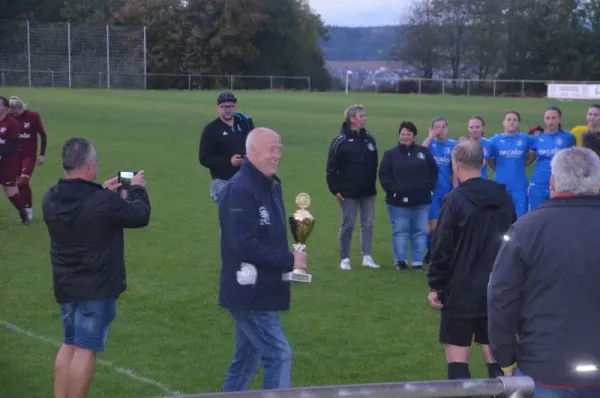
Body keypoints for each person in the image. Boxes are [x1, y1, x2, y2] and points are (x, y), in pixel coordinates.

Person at [42, 138, 151, 398]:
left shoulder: (51, 197)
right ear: (89, 165)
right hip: (96, 287)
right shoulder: (101, 201)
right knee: (85, 350)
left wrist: (101, 190)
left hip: (66, 284)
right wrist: (136, 189)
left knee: (68, 344)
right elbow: (140, 215)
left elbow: (83, 209)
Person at [489, 147, 600, 397]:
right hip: (547, 369)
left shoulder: (526, 229)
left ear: (552, 182)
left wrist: (505, 358)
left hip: (545, 369)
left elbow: (500, 297)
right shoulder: (526, 229)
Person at [218, 127, 307, 391]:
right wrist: (289, 259)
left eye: (279, 149)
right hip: (249, 290)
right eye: (272, 149)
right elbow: (243, 246)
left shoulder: (269, 186)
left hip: (263, 287)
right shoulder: (239, 190)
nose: (277, 155)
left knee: (247, 359)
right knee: (278, 355)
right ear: (252, 151)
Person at [427, 139, 516, 381]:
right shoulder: (503, 196)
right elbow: (514, 239)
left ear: (455, 164)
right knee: (496, 354)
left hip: (460, 290)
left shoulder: (454, 200)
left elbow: (441, 247)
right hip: (497, 287)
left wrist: (435, 285)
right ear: (483, 162)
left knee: (457, 357)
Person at [326, 104, 380, 270]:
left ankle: (367, 256)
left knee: (368, 224)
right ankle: (345, 258)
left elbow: (374, 163)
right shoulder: (339, 141)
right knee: (348, 224)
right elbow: (331, 168)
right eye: (361, 116)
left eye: (364, 116)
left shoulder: (369, 139)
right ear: (352, 120)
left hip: (368, 191)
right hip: (348, 192)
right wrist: (335, 189)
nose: (364, 119)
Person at [378, 121, 437, 271]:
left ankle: (417, 262)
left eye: (408, 134)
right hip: (398, 203)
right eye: (403, 134)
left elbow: (433, 171)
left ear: (414, 136)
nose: (405, 137)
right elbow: (384, 174)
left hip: (422, 201)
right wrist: (393, 190)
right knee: (401, 231)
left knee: (419, 231)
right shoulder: (391, 154)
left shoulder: (423, 152)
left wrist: (429, 189)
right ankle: (400, 261)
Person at [199, 92, 255, 203]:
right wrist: (229, 162)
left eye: (230, 106)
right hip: (223, 182)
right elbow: (204, 158)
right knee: (232, 217)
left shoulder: (244, 123)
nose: (227, 109)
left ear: (235, 107)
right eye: (223, 107)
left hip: (246, 179)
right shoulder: (211, 130)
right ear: (217, 109)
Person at [528, 106, 575, 211]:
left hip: (560, 185)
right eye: (548, 118)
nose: (551, 121)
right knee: (535, 216)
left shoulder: (568, 138)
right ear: (544, 120)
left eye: (554, 118)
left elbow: (572, 160)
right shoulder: (536, 139)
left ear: (559, 120)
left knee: (559, 216)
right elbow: (528, 161)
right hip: (538, 184)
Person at [422, 117, 457, 258]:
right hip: (432, 191)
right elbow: (421, 153)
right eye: (437, 127)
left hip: (447, 190)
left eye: (443, 127)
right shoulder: (430, 144)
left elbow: (456, 168)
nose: (440, 130)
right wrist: (430, 137)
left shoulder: (454, 145)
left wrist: (456, 185)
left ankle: (440, 252)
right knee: (431, 226)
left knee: (446, 224)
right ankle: (430, 251)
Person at [488, 111, 534, 217]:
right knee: (500, 216)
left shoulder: (525, 139)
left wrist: (522, 164)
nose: (511, 122)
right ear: (503, 123)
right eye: (508, 120)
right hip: (500, 185)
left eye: (515, 120)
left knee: (521, 216)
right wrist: (500, 169)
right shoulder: (495, 140)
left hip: (519, 185)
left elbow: (532, 154)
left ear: (518, 123)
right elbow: (490, 160)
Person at [9, 96, 48, 220]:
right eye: (12, 112)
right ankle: (23, 210)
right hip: (13, 155)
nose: (15, 114)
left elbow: (43, 135)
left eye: (17, 111)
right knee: (15, 185)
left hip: (28, 155)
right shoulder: (8, 118)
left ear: (21, 107)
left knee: (23, 182)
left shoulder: (33, 116)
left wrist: (42, 154)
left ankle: (28, 208)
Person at [0, 96, 30, 224]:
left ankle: (24, 213)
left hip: (7, 163)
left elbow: (13, 144)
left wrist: (2, 154)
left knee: (10, 192)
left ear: (5, 108)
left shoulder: (11, 123)